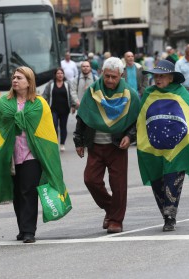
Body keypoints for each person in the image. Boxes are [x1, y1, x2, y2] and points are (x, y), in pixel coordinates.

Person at [0, 66, 69, 243]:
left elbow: (47, 132)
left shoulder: (39, 104)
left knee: (28, 191)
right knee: (17, 193)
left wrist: (47, 153)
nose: (15, 80)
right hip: (11, 155)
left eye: (19, 78)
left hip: (32, 154)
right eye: (14, 77)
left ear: (29, 82)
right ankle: (22, 227)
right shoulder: (4, 103)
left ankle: (29, 230)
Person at [73, 57, 140, 233]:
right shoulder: (93, 92)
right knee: (90, 180)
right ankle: (111, 208)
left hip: (117, 146)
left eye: (114, 77)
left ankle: (116, 220)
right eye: (107, 76)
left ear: (121, 75)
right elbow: (82, 116)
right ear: (102, 73)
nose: (110, 80)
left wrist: (129, 136)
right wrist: (79, 140)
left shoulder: (130, 94)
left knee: (118, 185)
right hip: (95, 145)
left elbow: (136, 120)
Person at [138, 59, 189, 232]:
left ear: (171, 78)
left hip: (177, 148)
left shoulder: (181, 93)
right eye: (156, 76)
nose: (158, 79)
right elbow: (140, 118)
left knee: (173, 181)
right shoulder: (149, 93)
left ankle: (170, 217)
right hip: (154, 148)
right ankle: (164, 213)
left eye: (162, 76)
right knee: (157, 182)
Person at [42, 67, 79, 152]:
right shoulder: (51, 84)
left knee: (63, 127)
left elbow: (71, 95)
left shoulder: (67, 84)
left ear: (63, 75)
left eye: (61, 73)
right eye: (58, 73)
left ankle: (62, 144)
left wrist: (73, 106)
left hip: (64, 109)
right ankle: (54, 143)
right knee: (54, 125)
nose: (60, 75)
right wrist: (42, 104)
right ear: (55, 75)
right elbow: (45, 95)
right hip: (53, 109)